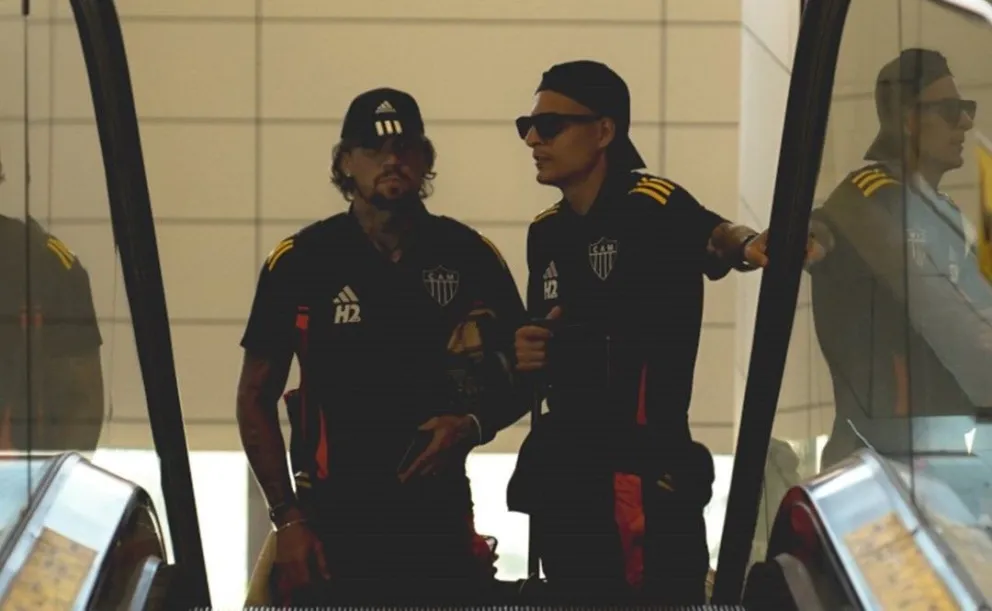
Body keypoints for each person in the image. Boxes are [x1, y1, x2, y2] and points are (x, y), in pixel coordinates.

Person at [508, 60, 806, 604]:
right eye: (525, 126)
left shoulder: (653, 204)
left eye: (549, 126)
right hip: (567, 480)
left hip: (642, 482)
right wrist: (526, 348)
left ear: (603, 131)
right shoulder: (545, 233)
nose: (532, 138)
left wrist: (747, 246)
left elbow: (714, 236)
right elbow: (545, 334)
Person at [236, 87, 529, 605]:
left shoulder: (469, 255)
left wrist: (473, 424)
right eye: (373, 148)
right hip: (329, 527)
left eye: (407, 147)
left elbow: (530, 373)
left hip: (437, 523)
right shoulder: (300, 261)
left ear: (426, 160)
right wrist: (288, 521)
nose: (392, 159)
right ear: (345, 162)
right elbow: (254, 397)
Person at [809, 48, 992, 469]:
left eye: (965, 109)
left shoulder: (941, 213)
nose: (965, 122)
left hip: (939, 454)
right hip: (879, 461)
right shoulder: (867, 199)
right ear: (909, 120)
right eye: (950, 110)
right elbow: (820, 231)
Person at [0, 152, 104, 454]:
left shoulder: (46, 264)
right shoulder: (47, 261)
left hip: (18, 485)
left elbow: (81, 405)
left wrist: (50, 494)